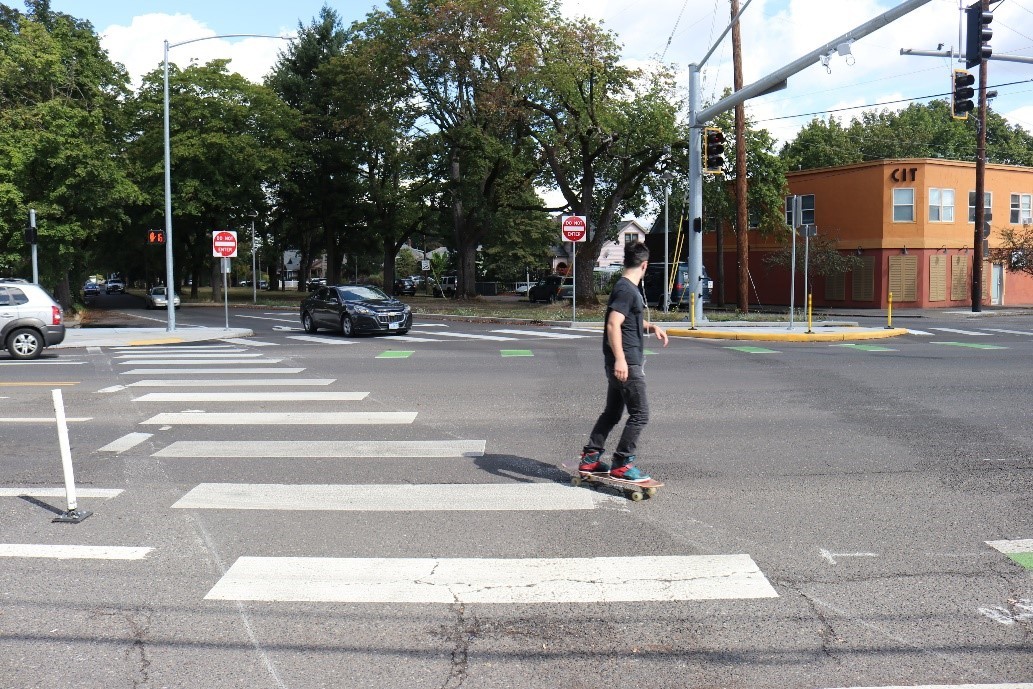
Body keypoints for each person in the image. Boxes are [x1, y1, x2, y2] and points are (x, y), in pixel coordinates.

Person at [579, 241, 668, 483]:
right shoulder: (627, 290)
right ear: (645, 265)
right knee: (640, 414)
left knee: (612, 413)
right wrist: (620, 359)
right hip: (626, 363)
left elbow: (627, 321)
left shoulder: (624, 287)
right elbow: (613, 324)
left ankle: (591, 459)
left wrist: (650, 327)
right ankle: (622, 463)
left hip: (621, 362)